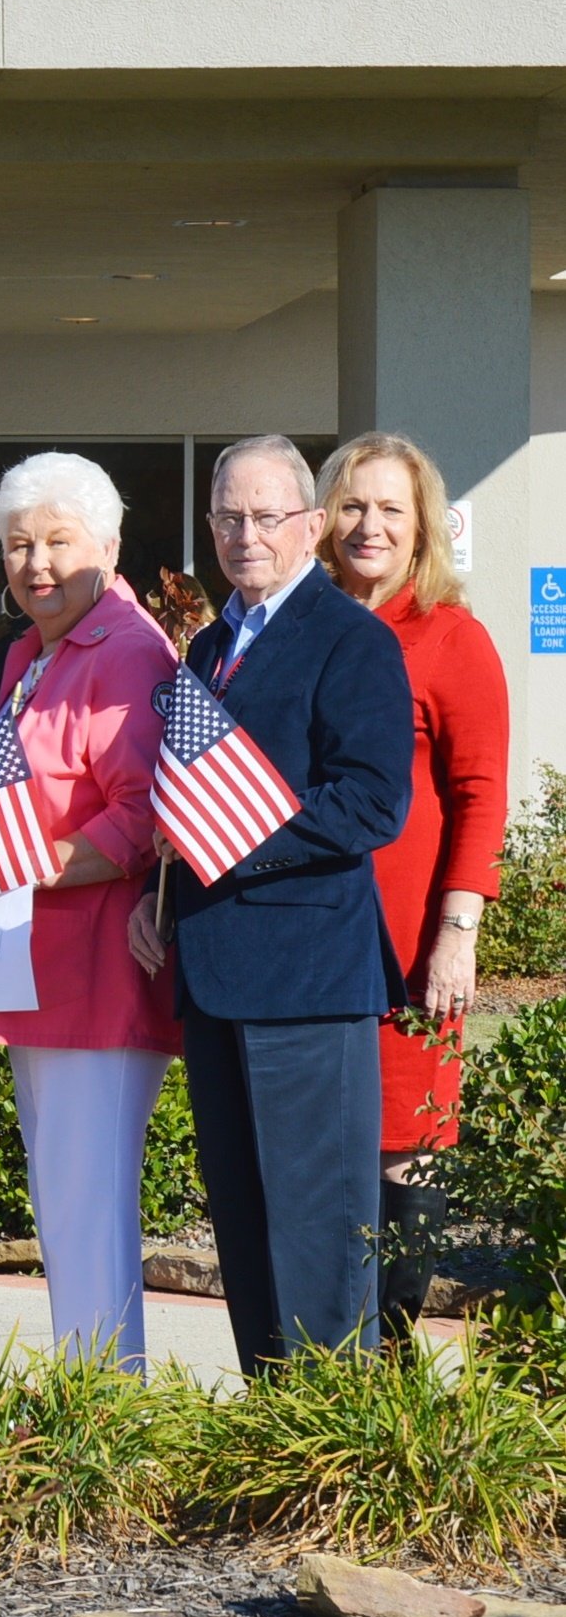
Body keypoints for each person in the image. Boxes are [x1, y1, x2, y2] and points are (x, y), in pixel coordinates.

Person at [128, 435, 412, 1371]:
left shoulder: (353, 639)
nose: (244, 535)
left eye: (265, 516)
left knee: (319, 1233)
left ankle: (333, 1446)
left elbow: (373, 801)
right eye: (227, 518)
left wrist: (229, 842)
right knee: (246, 1223)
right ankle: (270, 1434)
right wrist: (159, 893)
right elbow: (188, 793)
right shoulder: (210, 646)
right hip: (213, 975)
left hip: (310, 981)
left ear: (310, 525)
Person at [0, 452, 180, 1368]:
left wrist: (37, 863)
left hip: (98, 978)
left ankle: (106, 1405)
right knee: (60, 1196)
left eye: (57, 541)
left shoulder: (126, 649)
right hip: (35, 968)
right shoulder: (28, 653)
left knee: (87, 1200)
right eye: (19, 545)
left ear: (109, 546)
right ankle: (83, 1394)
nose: (36, 562)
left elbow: (145, 808)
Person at [315, 431, 508, 1336]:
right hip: (309, 940)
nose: (371, 526)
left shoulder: (450, 637)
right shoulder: (305, 622)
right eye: (353, 504)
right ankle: (322, 1364)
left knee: (405, 1149)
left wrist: (457, 935)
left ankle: (387, 1376)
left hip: (409, 947)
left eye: (392, 508)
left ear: (423, 524)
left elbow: (479, 795)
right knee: (320, 1151)